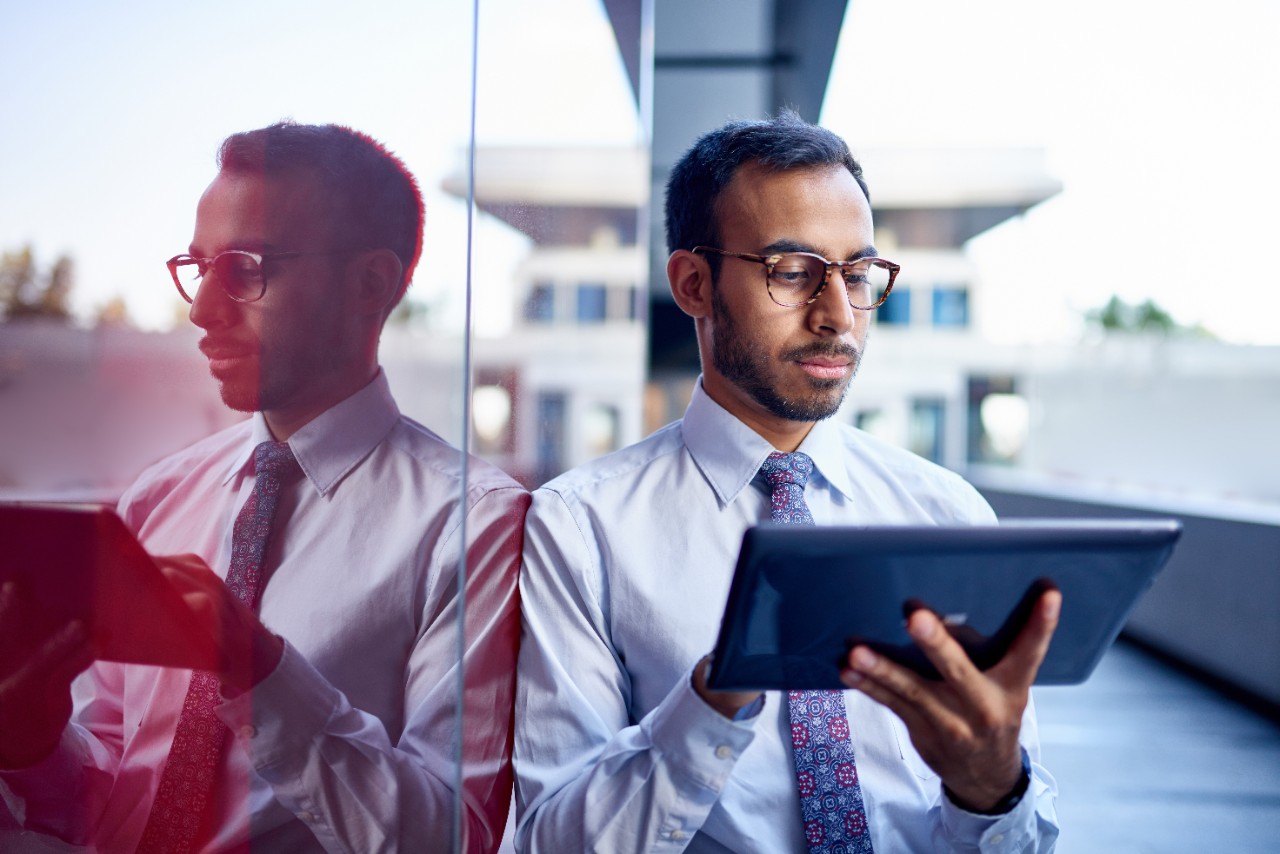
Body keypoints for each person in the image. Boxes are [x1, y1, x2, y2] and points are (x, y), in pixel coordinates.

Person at [514, 111, 1061, 853]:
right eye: (793, 272)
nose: (839, 316)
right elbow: (553, 840)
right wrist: (714, 697)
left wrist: (992, 788)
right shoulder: (579, 528)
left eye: (858, 274)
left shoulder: (945, 510)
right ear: (694, 283)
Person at [0, 122, 528, 852]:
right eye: (198, 266)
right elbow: (110, 790)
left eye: (245, 268)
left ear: (371, 283)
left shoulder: (477, 526)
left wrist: (261, 673)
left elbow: (451, 835)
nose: (202, 310)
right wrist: (32, 742)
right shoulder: (157, 502)